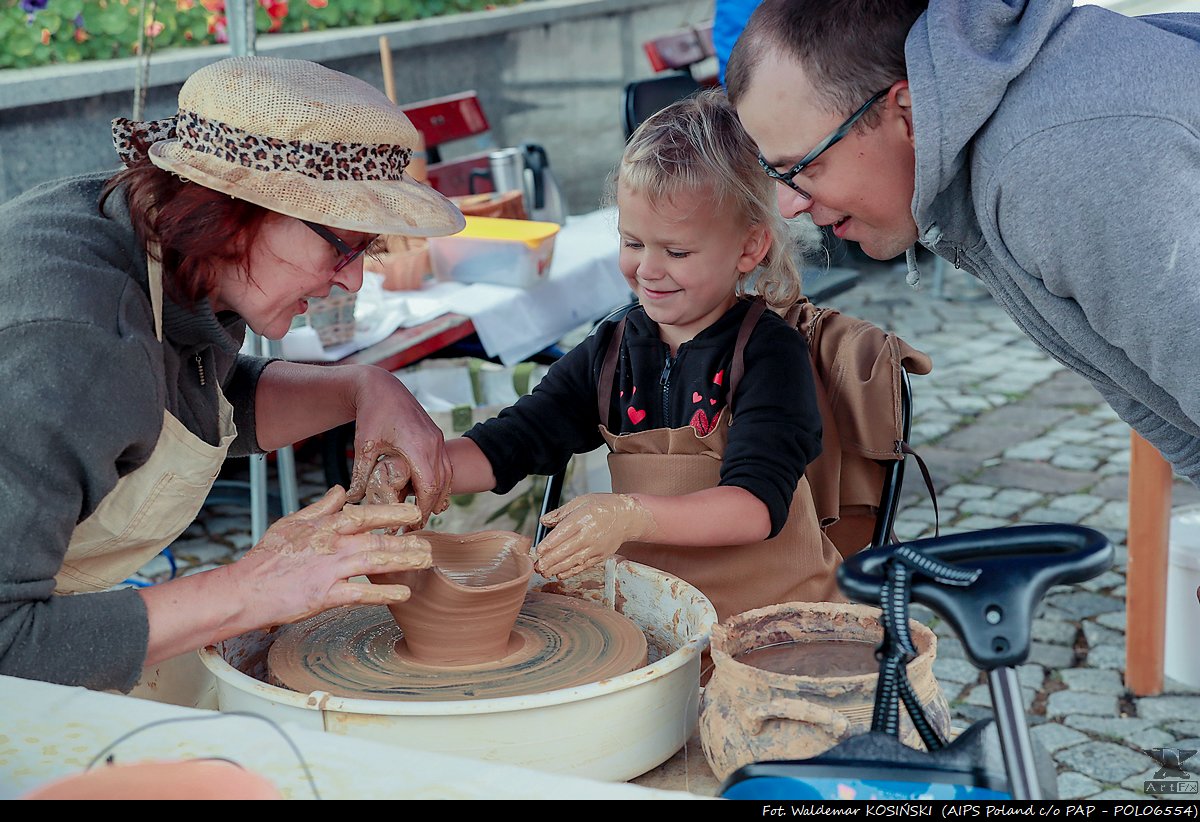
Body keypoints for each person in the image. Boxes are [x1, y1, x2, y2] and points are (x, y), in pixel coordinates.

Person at [0, 56, 469, 693]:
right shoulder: (75, 349)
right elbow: (8, 638)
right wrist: (252, 589)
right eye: (343, 245)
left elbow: (194, 404)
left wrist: (367, 389)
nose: (354, 279)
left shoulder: (180, 252)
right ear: (234, 209)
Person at [369, 89, 842, 622]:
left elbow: (753, 508)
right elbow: (517, 440)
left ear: (750, 248)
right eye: (633, 242)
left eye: (677, 252)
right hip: (658, 615)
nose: (648, 269)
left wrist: (629, 514)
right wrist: (424, 468)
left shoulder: (769, 353)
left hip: (770, 616)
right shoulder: (613, 350)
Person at [725, 0, 1200, 485]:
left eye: (802, 166)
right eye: (772, 172)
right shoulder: (981, 148)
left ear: (906, 115)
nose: (788, 206)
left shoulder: (1055, 167)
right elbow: (1172, 419)